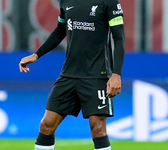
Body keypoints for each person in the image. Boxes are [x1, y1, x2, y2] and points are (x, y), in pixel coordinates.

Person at [19, 0, 125, 149]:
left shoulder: (109, 1)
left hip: (97, 75)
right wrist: (36, 55)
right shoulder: (66, 1)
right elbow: (60, 30)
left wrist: (116, 75)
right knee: (46, 124)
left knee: (98, 128)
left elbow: (119, 38)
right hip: (68, 74)